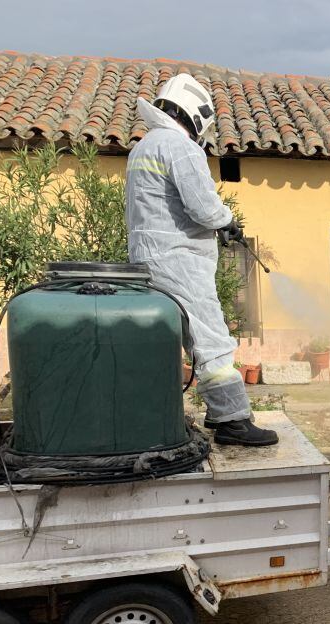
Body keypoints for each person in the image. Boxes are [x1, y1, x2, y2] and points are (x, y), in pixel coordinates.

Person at [125, 74, 277, 446]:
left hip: (149, 260)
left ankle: (215, 412)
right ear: (196, 116)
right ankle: (232, 421)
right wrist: (227, 221)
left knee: (185, 338)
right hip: (180, 261)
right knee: (211, 339)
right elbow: (202, 205)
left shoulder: (144, 147)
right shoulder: (179, 147)